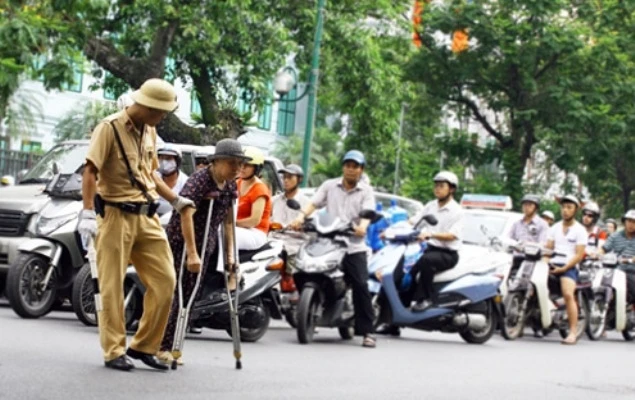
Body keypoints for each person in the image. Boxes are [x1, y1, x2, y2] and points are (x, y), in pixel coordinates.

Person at [78, 78, 195, 371]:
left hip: (147, 215)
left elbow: (151, 175)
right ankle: (114, 350)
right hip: (116, 214)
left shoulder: (150, 131)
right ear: (147, 106)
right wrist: (88, 212)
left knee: (166, 281)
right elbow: (90, 171)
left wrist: (176, 200)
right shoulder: (109, 128)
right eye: (162, 111)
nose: (164, 117)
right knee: (111, 286)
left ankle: (144, 346)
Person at [157, 139, 250, 365]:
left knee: (191, 295)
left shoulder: (230, 185)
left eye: (240, 163)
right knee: (176, 295)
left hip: (206, 242)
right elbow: (185, 213)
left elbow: (228, 222)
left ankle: (175, 346)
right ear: (216, 162)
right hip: (183, 241)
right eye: (232, 163)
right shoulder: (200, 180)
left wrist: (229, 257)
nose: (237, 168)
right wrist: (191, 253)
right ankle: (162, 347)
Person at [290, 150, 377, 348]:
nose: (350, 169)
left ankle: (368, 331)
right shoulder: (330, 186)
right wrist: (300, 218)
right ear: (343, 167)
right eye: (348, 165)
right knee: (303, 268)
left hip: (353, 246)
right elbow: (313, 203)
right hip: (327, 241)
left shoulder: (366, 191)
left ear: (361, 170)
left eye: (355, 166)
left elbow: (368, 213)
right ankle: (313, 305)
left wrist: (362, 226)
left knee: (361, 285)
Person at [409, 171, 464, 313]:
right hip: (430, 249)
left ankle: (426, 299)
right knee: (410, 270)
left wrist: (430, 234)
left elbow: (452, 235)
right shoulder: (431, 206)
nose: (437, 189)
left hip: (448, 254)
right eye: (436, 186)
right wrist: (396, 227)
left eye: (441, 186)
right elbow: (416, 221)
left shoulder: (457, 211)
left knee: (427, 261)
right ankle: (401, 307)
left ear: (451, 189)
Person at [544, 195, 587, 345]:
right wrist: (544, 262)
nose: (565, 210)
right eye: (563, 207)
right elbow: (548, 249)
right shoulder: (554, 227)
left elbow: (579, 254)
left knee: (568, 294)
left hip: (569, 267)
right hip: (553, 263)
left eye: (569, 207)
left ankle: (573, 332)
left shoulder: (580, 230)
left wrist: (565, 267)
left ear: (575, 210)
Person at [236, 146, 272, 250]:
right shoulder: (235, 183)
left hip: (255, 232)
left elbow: (254, 221)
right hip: (237, 229)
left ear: (256, 168)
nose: (242, 167)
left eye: (247, 165)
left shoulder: (259, 189)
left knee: (226, 236)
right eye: (241, 163)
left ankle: (226, 265)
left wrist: (232, 223)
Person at [508, 195, 549, 277]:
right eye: (524, 205)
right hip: (516, 258)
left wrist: (528, 245)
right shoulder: (517, 223)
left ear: (536, 208)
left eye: (530, 205)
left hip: (532, 259)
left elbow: (543, 243)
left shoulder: (542, 224)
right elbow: (509, 239)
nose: (526, 207)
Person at [156, 145, 189, 216]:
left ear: (177, 161)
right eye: (161, 158)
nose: (164, 162)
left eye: (168, 158)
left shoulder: (186, 182)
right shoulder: (153, 178)